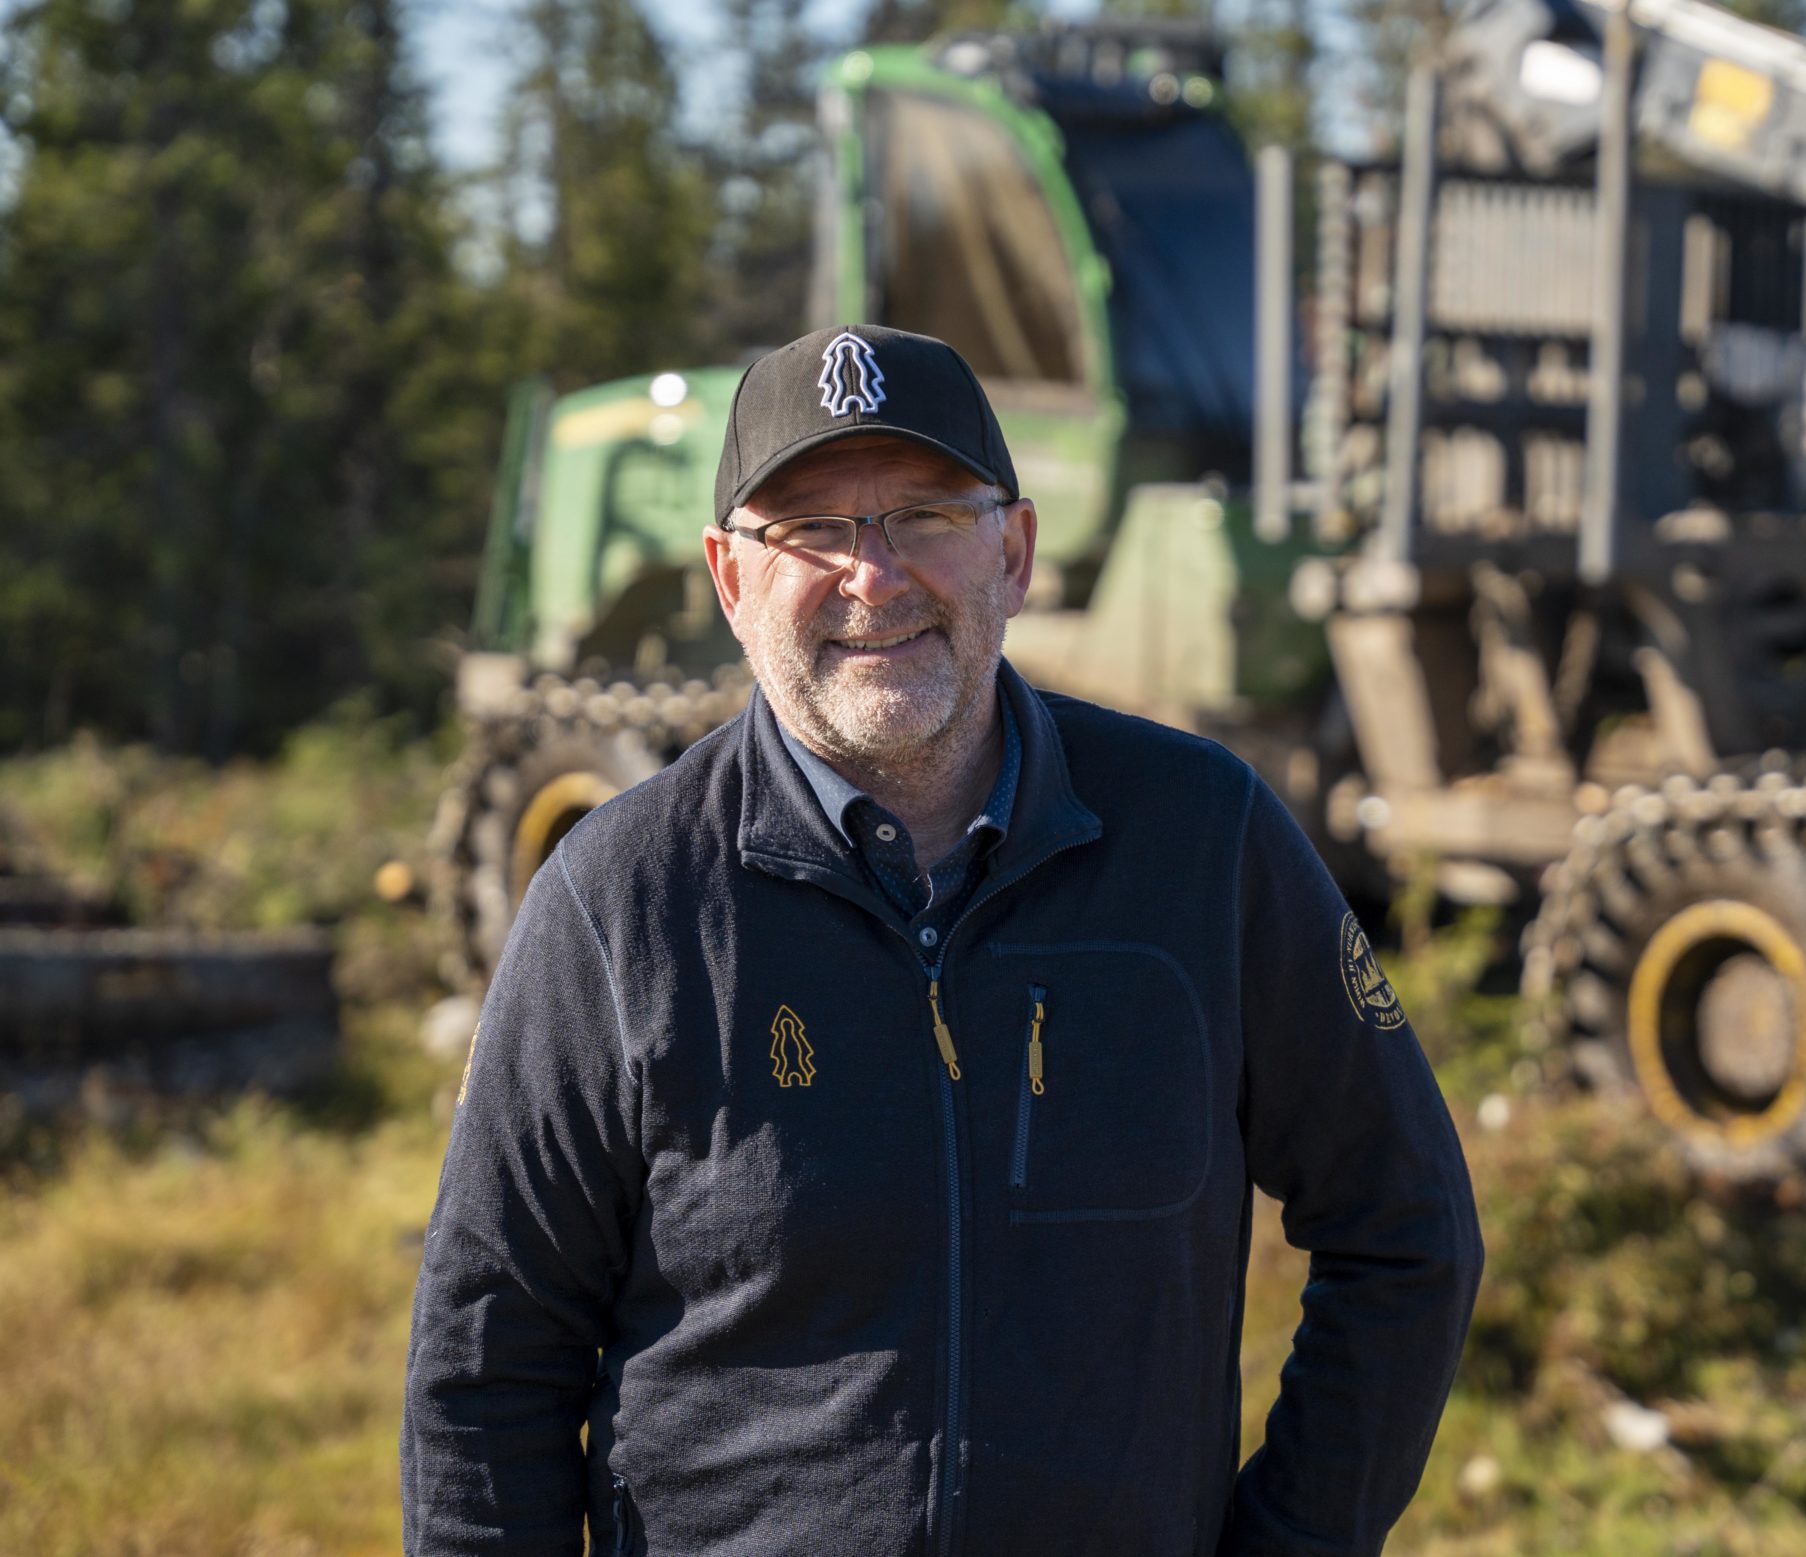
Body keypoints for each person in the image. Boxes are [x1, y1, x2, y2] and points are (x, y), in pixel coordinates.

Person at [400, 322, 1484, 1556]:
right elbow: (484, 1366)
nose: (874, 576)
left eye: (923, 515)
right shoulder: (621, 897)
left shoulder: (1203, 842)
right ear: (728, 577)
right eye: (809, 528)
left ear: (1013, 551)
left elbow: (1407, 1228)